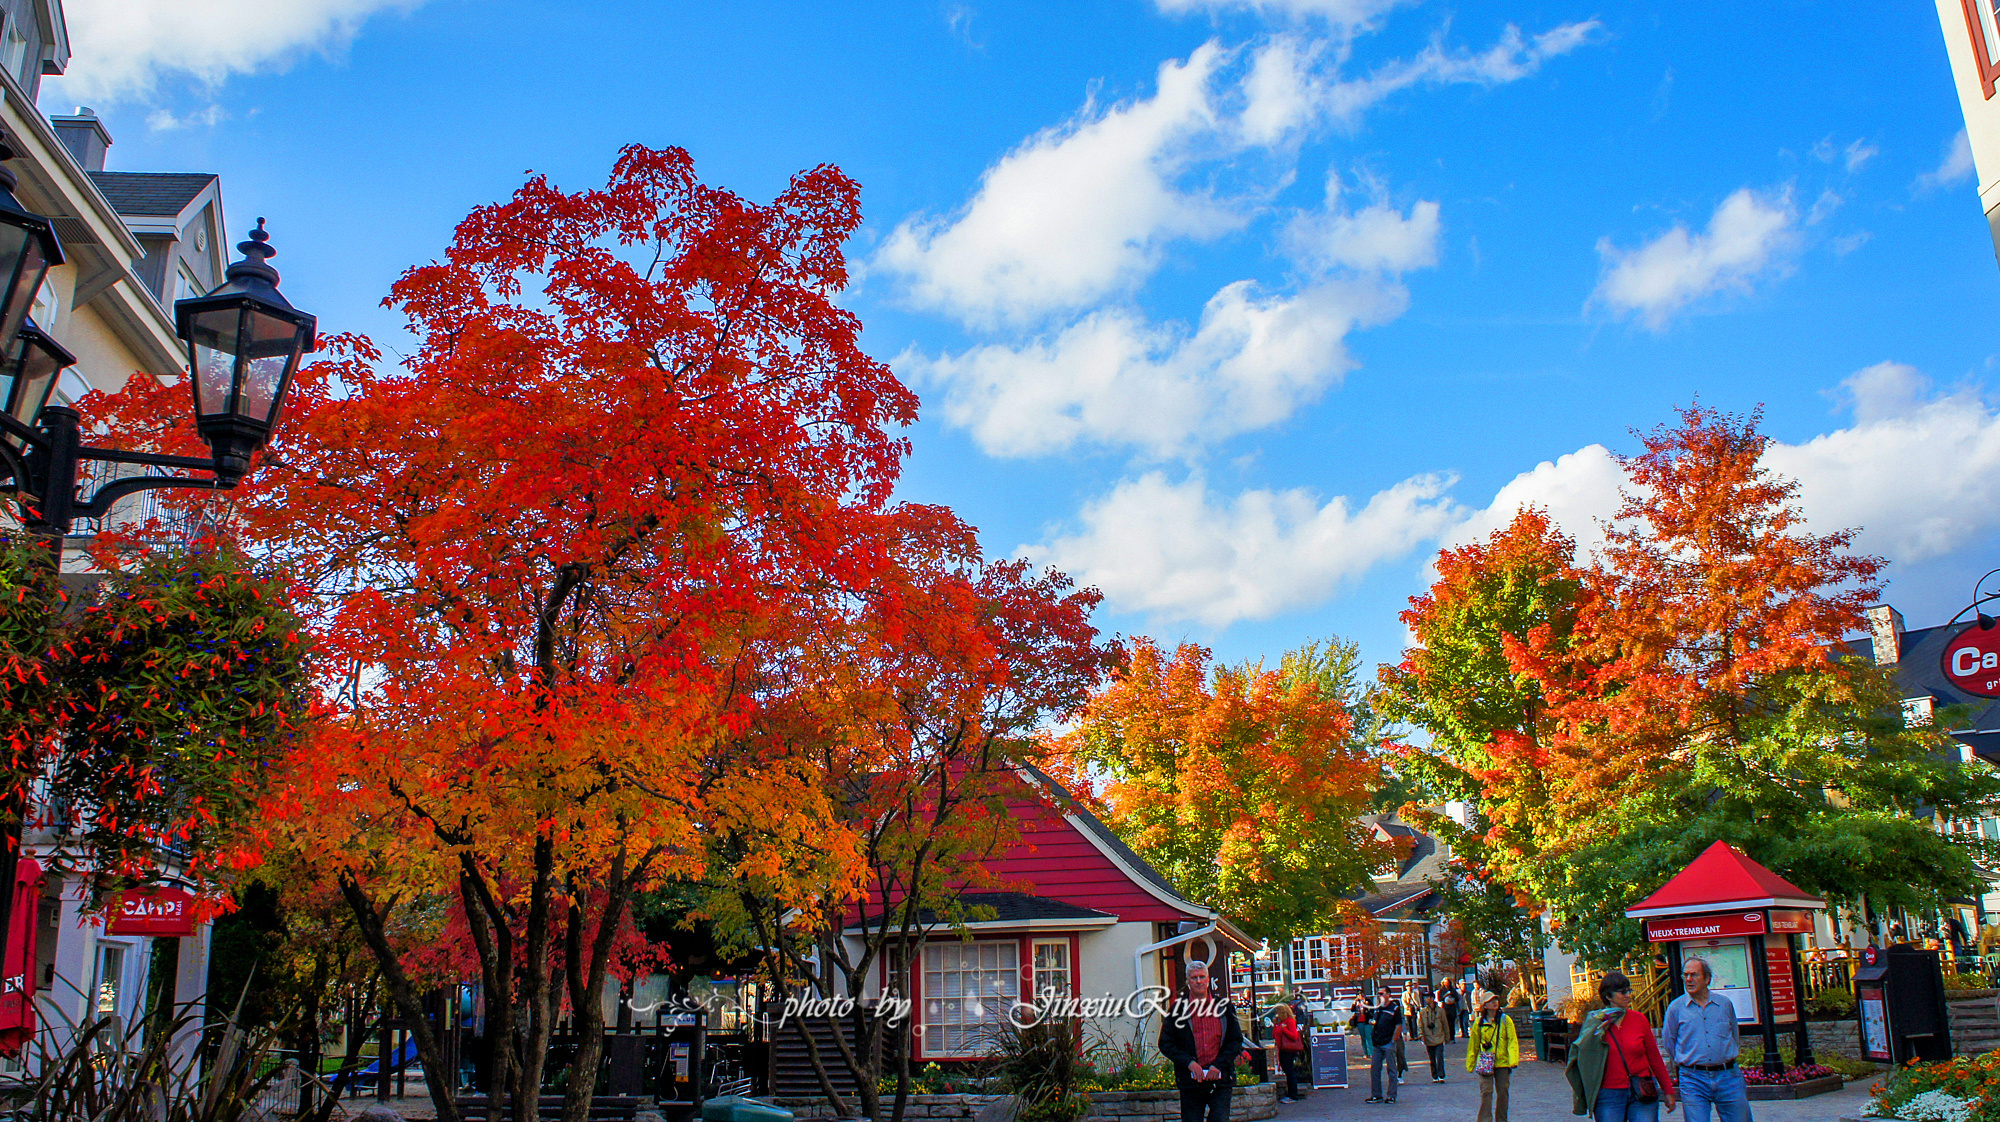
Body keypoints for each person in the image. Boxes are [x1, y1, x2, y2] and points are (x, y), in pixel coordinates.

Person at [1567, 970, 1676, 1121]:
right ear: (1608, 996)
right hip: (1609, 1093)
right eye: (1622, 992)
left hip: (1642, 1088)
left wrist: (1668, 1091)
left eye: (1629, 991)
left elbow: (1655, 1057)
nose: (1628, 996)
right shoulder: (1595, 1023)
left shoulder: (1639, 1019)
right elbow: (1584, 1058)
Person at [1661, 957, 1750, 1122]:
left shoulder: (1724, 1004)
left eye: (1694, 975)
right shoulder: (1675, 1008)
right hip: (1693, 1078)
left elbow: (1734, 1036)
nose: (1689, 979)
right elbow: (1669, 1042)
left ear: (1707, 979)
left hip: (1728, 1077)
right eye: (1685, 975)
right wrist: (1688, 1060)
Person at [1159, 960, 1244, 1122]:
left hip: (1220, 1078)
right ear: (1188, 981)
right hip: (1191, 1080)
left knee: (1219, 1119)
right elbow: (1165, 1043)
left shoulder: (1224, 1007)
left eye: (1202, 977)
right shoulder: (1178, 1009)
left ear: (1208, 979)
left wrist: (1218, 1065)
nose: (1198, 981)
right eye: (1194, 978)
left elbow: (1236, 1040)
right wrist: (1189, 1063)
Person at [1466, 987, 1520, 1122]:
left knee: (1503, 1093)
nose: (1495, 1002)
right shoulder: (1479, 1023)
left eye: (1496, 999)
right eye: (1491, 1001)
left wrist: (1513, 1060)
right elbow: (1473, 1045)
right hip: (1486, 1062)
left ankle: (1501, 1119)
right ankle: (1485, 1119)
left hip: (1503, 1062)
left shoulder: (1505, 1020)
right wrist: (1471, 1063)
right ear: (1484, 1005)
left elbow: (1512, 1040)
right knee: (1486, 1093)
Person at [1366, 990, 1406, 1104]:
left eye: (1382, 993)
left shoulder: (1394, 1009)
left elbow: (1398, 1026)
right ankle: (1376, 1095)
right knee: (1375, 1069)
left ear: (1388, 995)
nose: (1380, 995)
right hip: (1377, 1043)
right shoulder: (1378, 1008)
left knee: (1392, 1069)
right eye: (1378, 994)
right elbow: (1375, 1021)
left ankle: (1392, 1095)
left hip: (1388, 1042)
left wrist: (1393, 1041)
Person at [1272, 1002, 1305, 1103]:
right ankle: (1290, 1093)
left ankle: (1293, 1095)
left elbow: (1294, 1036)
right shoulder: (1281, 1022)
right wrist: (1275, 1024)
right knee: (1287, 1071)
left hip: (1288, 1049)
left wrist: (1284, 1030)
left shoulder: (1289, 1021)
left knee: (1290, 1071)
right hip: (1282, 1049)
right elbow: (1274, 1034)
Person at [1417, 988, 1451, 1083]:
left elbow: (1445, 1024)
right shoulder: (1423, 1012)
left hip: (1439, 1036)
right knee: (1432, 1058)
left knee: (1439, 1056)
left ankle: (1441, 1075)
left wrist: (1447, 1037)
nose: (1426, 999)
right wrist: (1421, 1035)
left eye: (1427, 997)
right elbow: (1420, 1025)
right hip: (1428, 1037)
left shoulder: (1440, 1011)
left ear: (1432, 998)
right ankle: (1434, 1075)